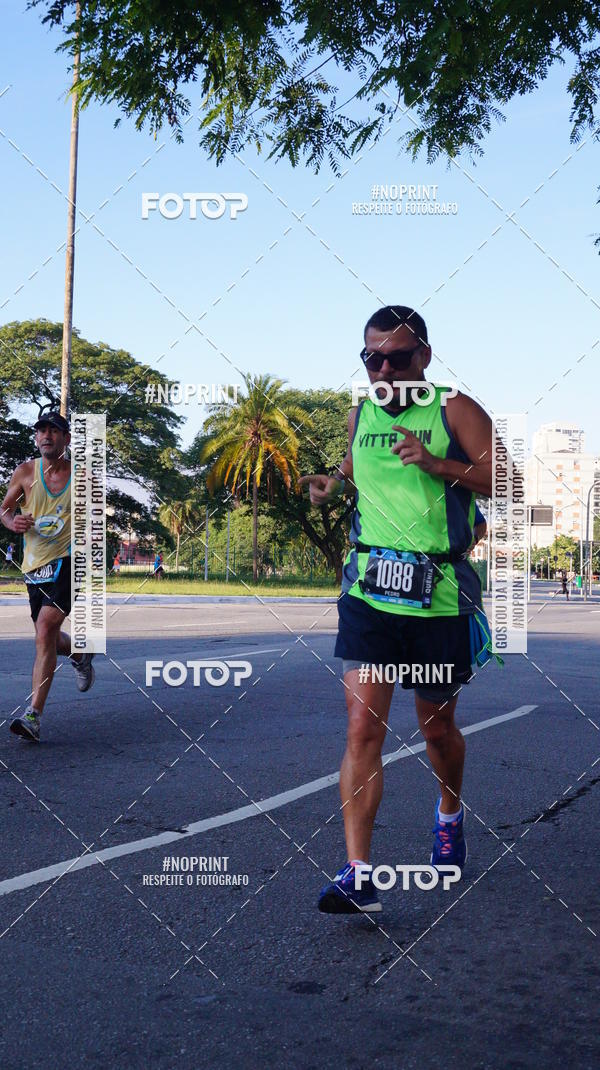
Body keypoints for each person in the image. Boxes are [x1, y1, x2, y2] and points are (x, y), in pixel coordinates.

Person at [300, 305, 494, 914]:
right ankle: (359, 872)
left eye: (397, 357)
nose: (383, 368)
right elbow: (359, 465)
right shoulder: (361, 415)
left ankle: (449, 811)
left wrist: (440, 465)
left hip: (438, 599)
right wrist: (335, 481)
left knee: (436, 729)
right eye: (371, 358)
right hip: (369, 593)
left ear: (425, 357)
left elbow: (504, 480)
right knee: (363, 729)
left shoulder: (453, 409)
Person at [0, 410, 95, 742]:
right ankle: (81, 653)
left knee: (43, 629)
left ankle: (33, 717)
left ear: (66, 439)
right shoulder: (25, 472)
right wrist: (13, 523)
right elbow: (4, 509)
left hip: (69, 562)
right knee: (50, 639)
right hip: (34, 566)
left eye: (53, 431)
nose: (46, 436)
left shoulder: (82, 478)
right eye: (41, 431)